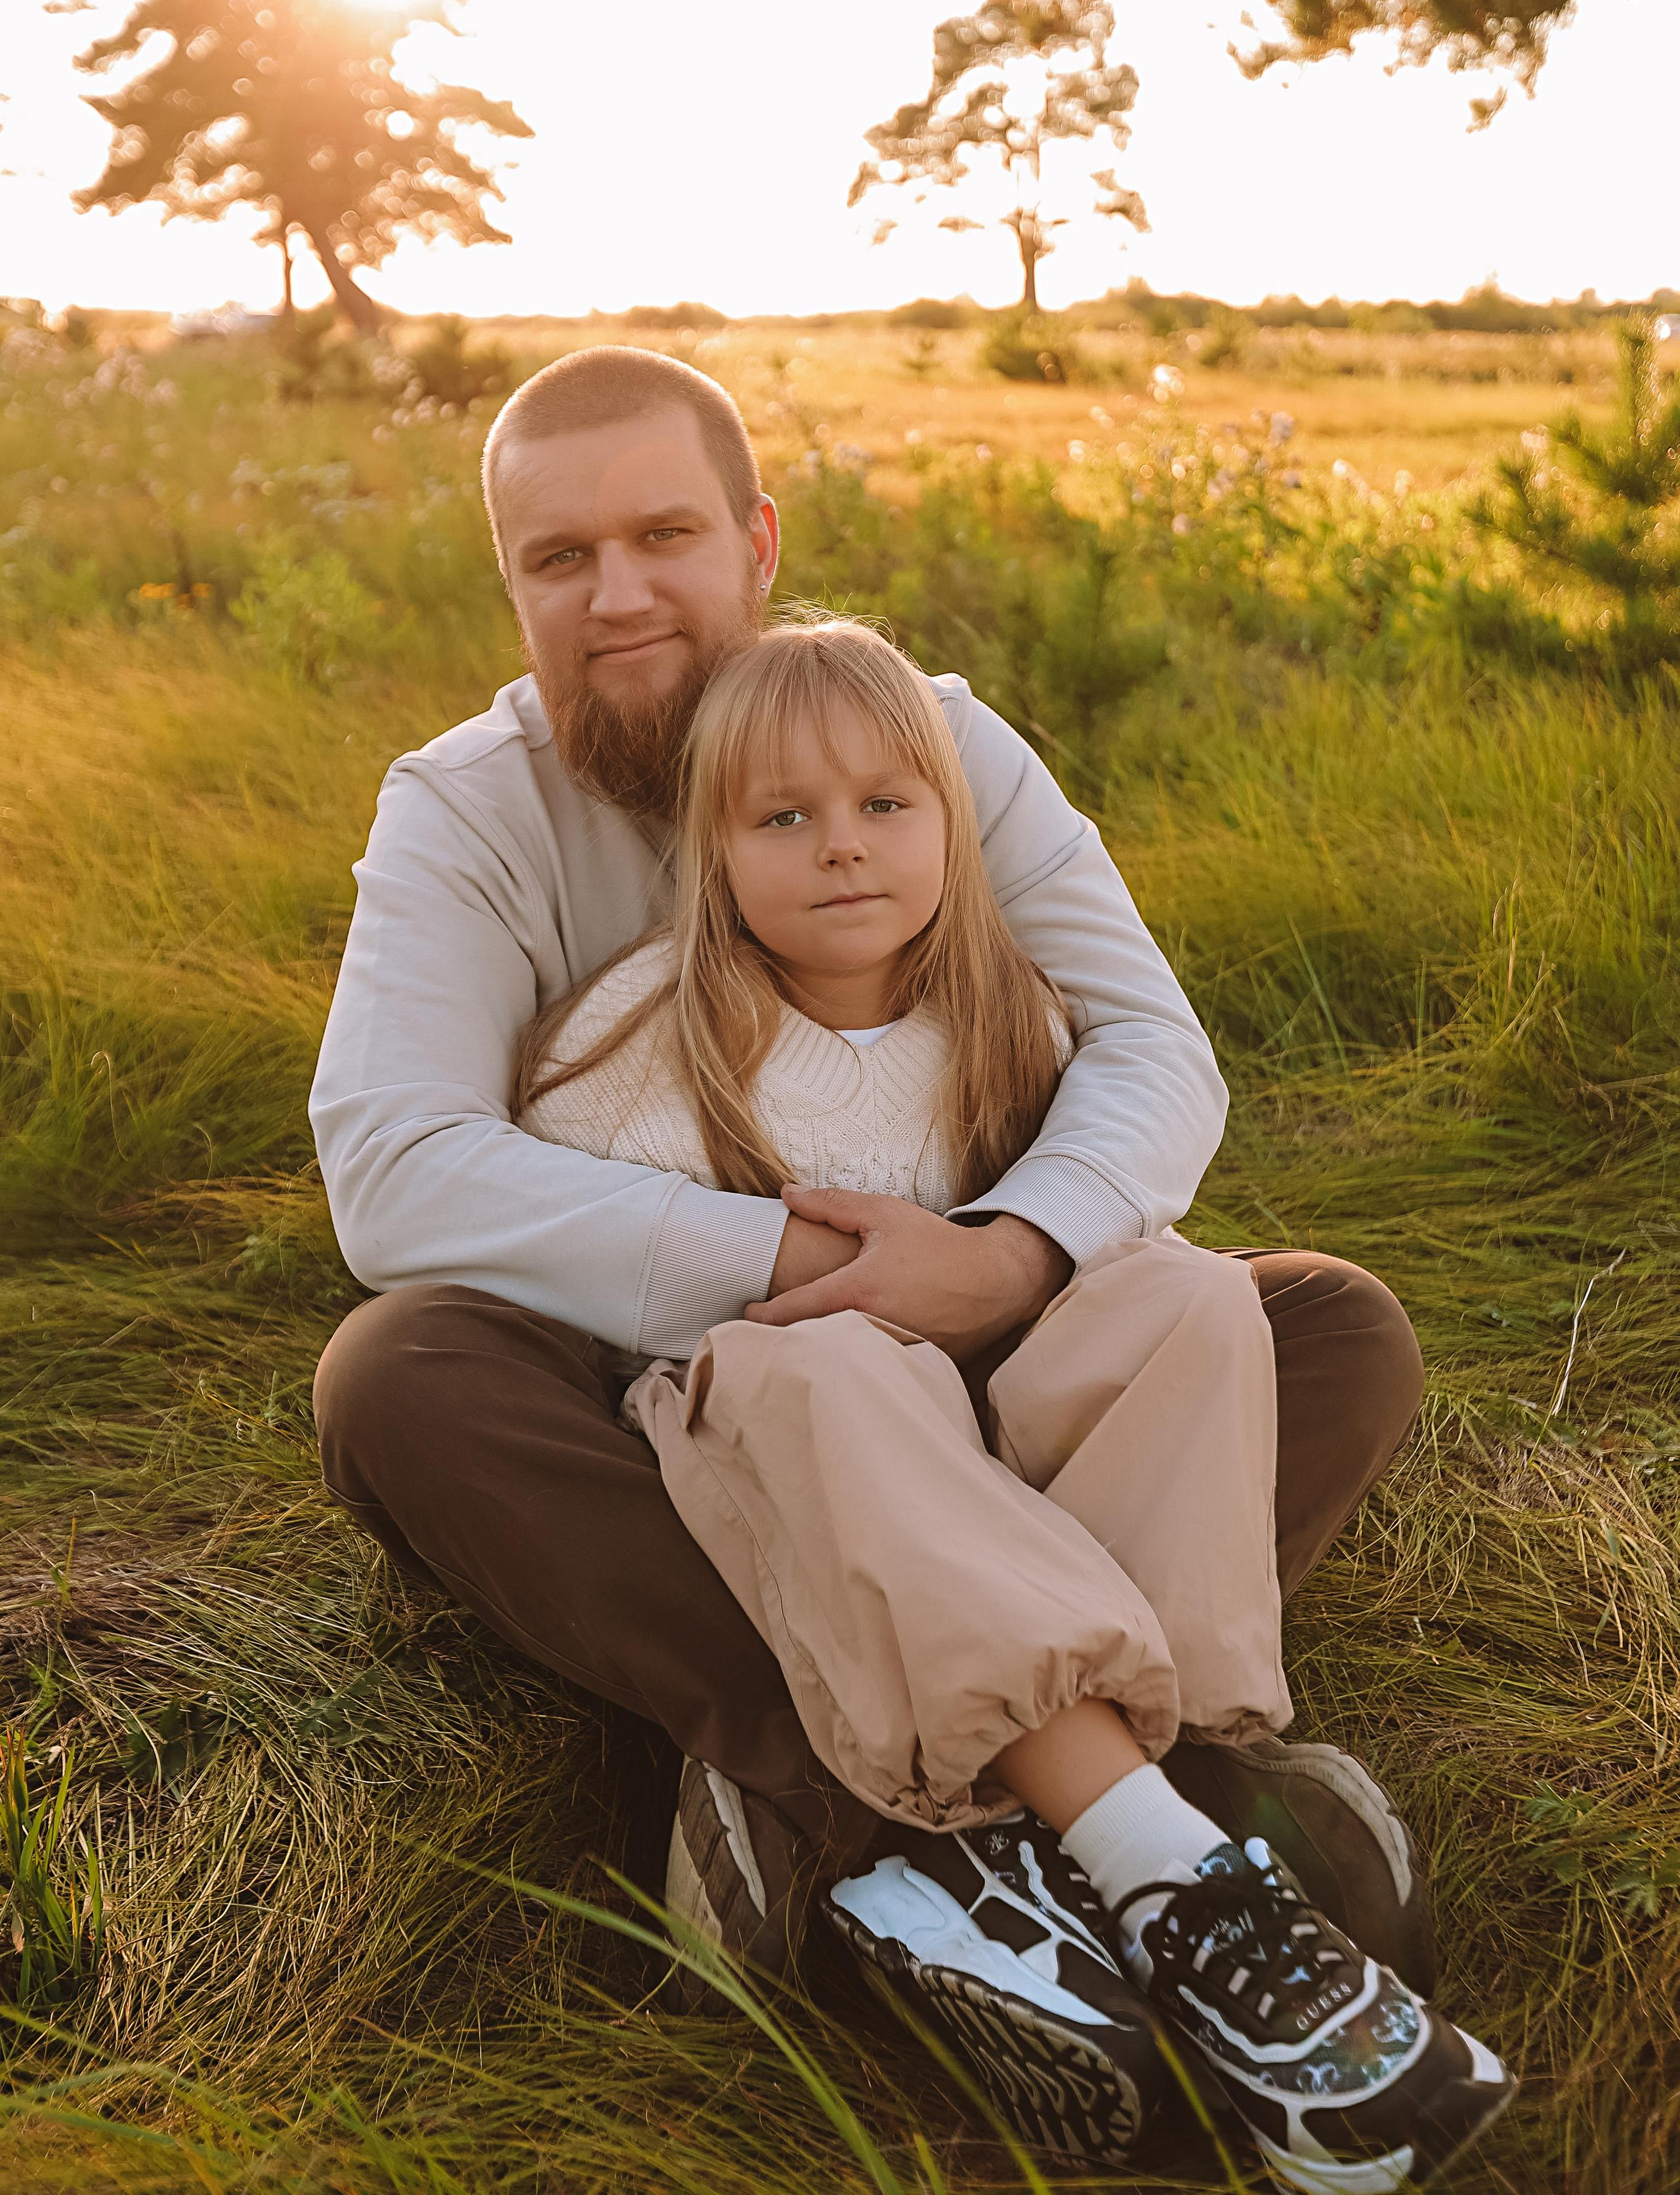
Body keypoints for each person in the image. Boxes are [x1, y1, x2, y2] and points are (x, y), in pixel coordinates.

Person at [310, 347, 1431, 2144]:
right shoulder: (465, 811)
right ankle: (1114, 1815)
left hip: (990, 1356)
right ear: (509, 584)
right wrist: (778, 1264)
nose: (618, 596)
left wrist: (1003, 1260)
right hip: (708, 1408)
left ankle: (843, 1831)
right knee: (397, 1374)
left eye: (665, 533)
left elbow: (1154, 1048)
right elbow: (393, 1171)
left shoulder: (927, 734)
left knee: (1326, 1326)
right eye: (559, 558)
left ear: (757, 541)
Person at [507, 616, 1511, 2190]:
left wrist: (1005, 1285)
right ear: (708, 850)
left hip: (997, 1457)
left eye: (884, 807)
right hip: (794, 1455)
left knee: (1190, 1291)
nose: (841, 849)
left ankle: (1076, 1855)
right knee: (834, 1358)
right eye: (782, 819)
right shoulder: (633, 1052)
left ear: (953, 820)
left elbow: (1090, 1251)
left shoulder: (1010, 1017)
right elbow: (595, 1305)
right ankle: (1175, 1872)